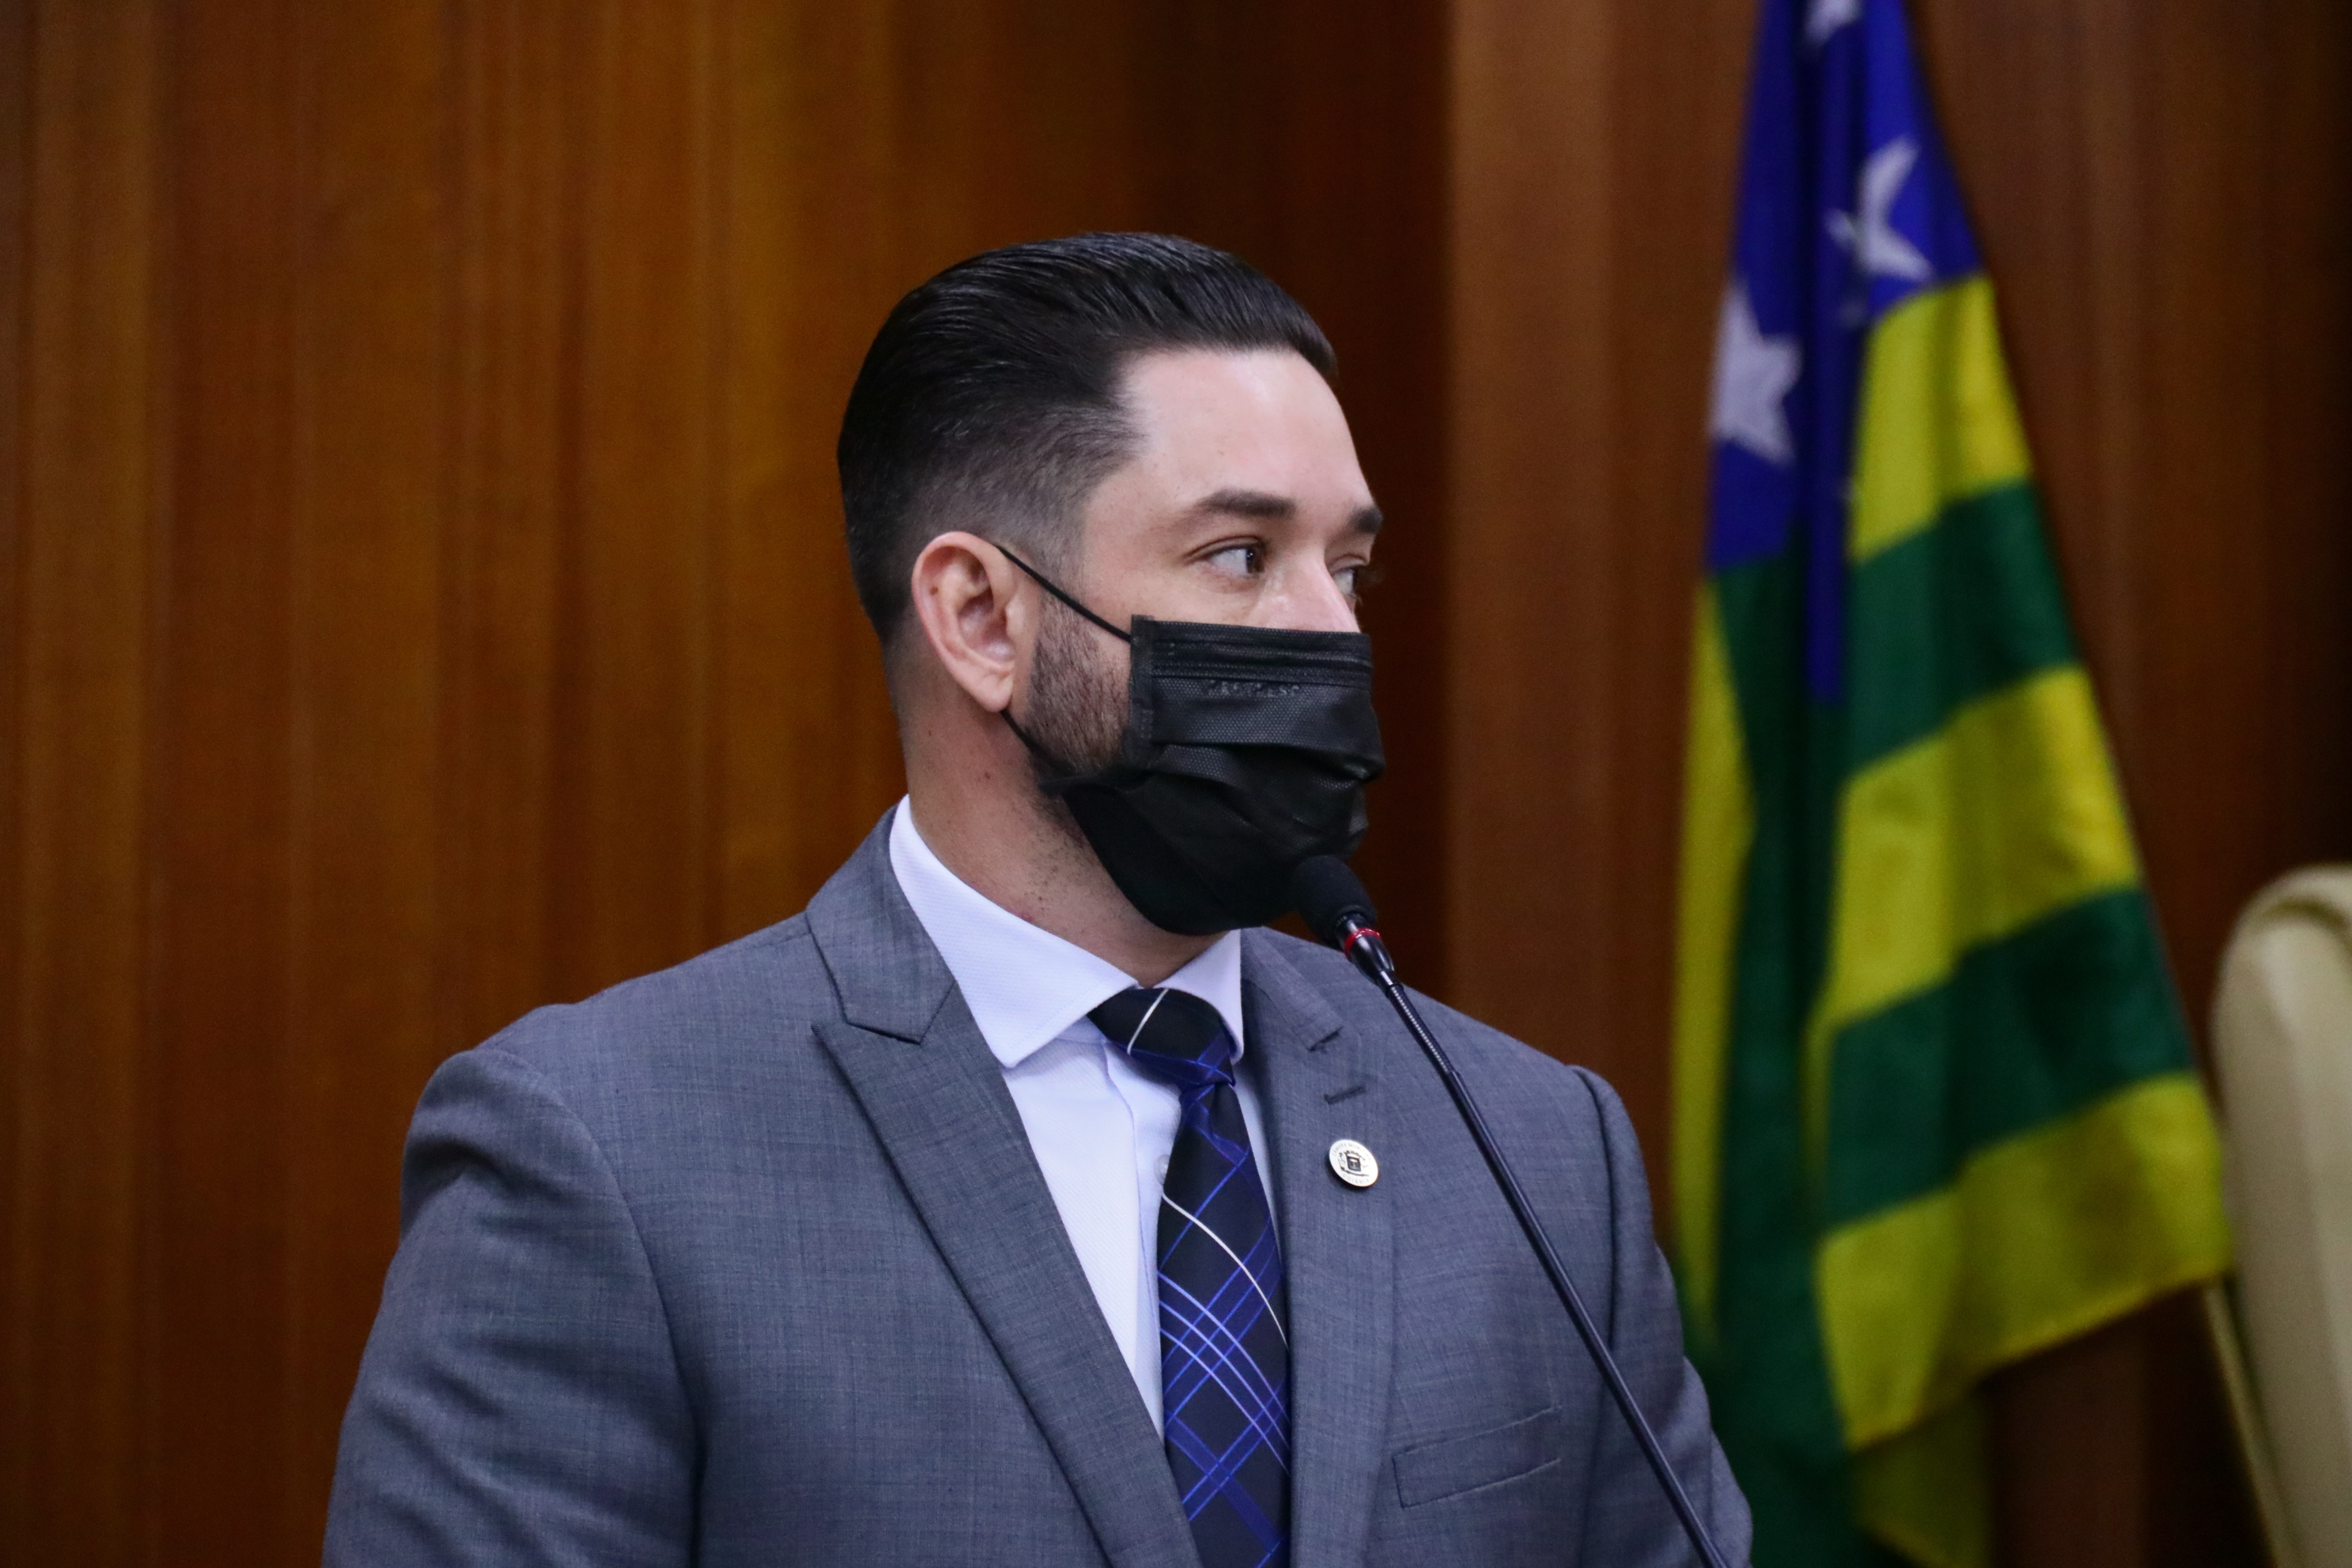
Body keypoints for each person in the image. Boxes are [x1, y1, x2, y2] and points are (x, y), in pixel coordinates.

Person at [325, 232, 1750, 1568]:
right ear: (980, 618)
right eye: (1241, 557)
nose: (1331, 631)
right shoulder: (602, 1152)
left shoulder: (1534, 1147)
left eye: (1350, 567)